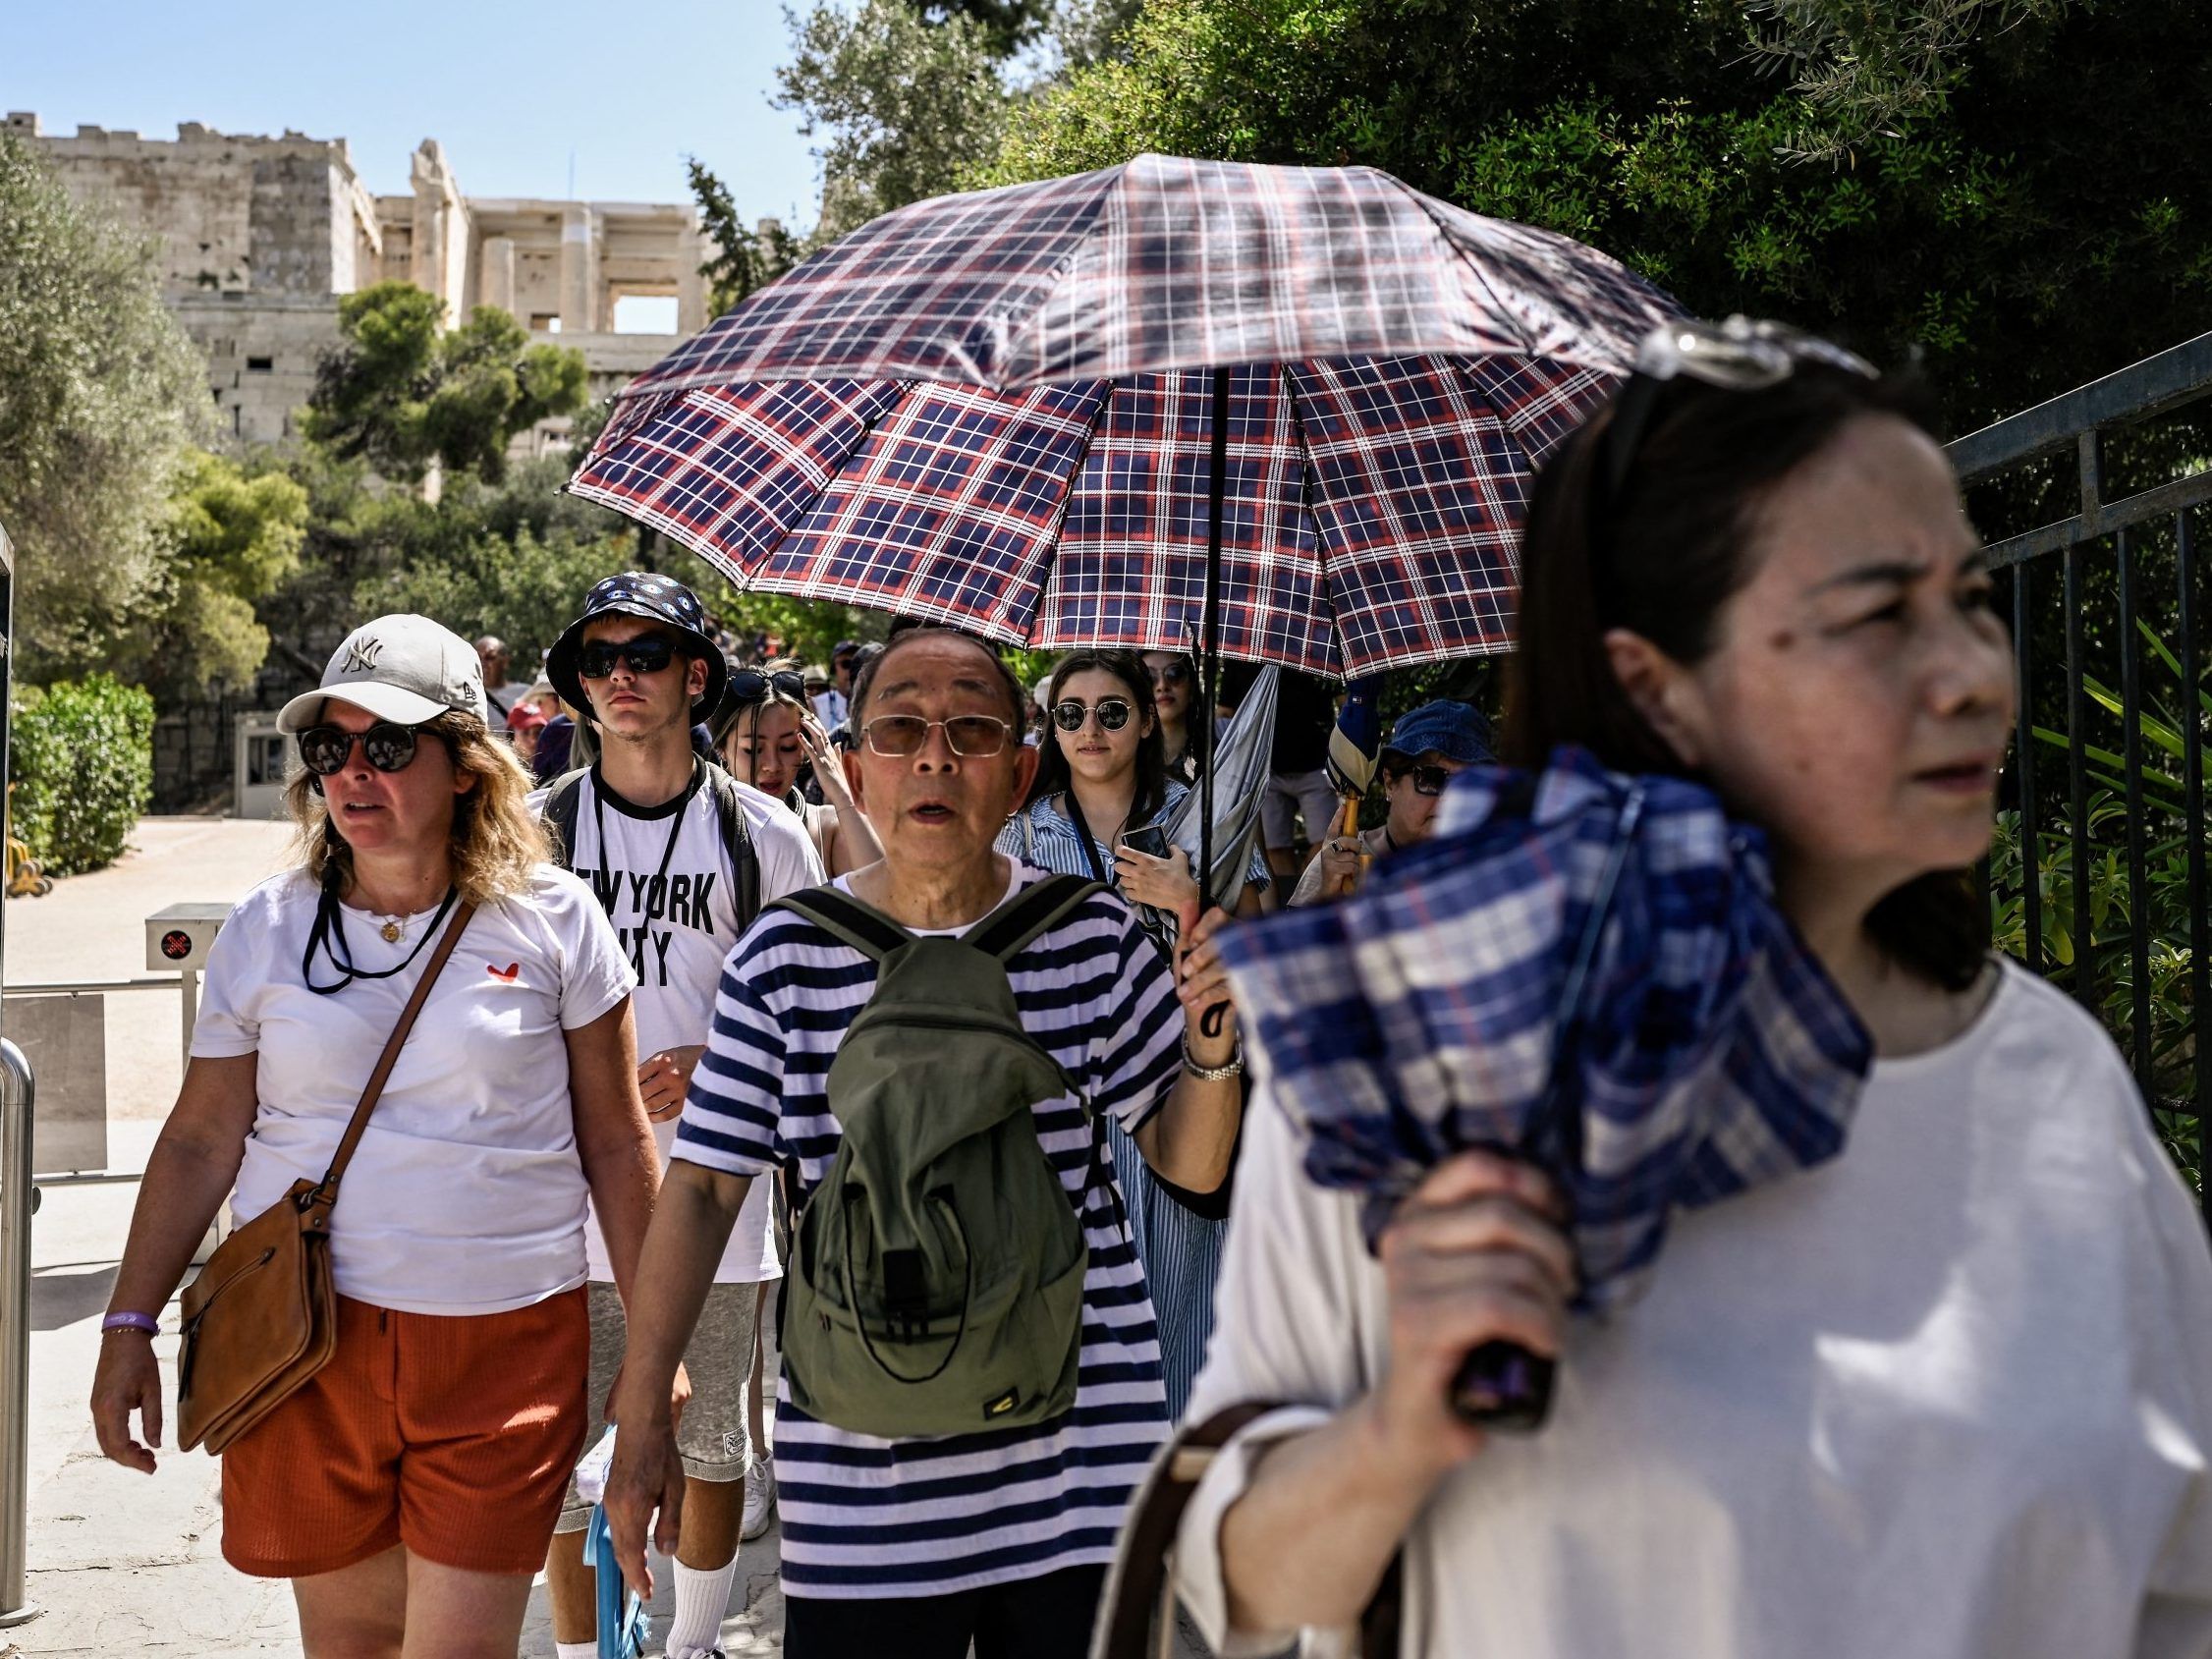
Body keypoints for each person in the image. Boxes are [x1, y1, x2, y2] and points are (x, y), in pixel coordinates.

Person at [1171, 324, 2212, 1658]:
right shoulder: (1410, 1061)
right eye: (1878, 615)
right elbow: (1231, 1585)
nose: (1974, 674)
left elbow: (2177, 1581)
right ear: (1654, 686)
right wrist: (1393, 1433)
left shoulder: (2052, 1071)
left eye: (1966, 598)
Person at [602, 626, 1248, 1658]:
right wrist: (642, 1424)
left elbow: (1189, 1161)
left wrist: (1213, 1047)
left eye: (973, 729)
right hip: (862, 1478)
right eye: (900, 727)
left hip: (1081, 1462)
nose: (935, 756)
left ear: (1021, 771)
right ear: (854, 771)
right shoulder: (786, 953)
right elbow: (704, 1188)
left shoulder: (1090, 938)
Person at [88, 615, 666, 1659]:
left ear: (465, 765)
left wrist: (658, 1354)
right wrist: (127, 1323)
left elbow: (620, 1148)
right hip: (302, 1343)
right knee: (349, 1646)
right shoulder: (267, 922)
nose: (353, 773)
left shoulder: (555, 919)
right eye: (330, 748)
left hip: (504, 1346)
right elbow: (198, 1140)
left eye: (388, 745)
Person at [534, 574, 825, 1659]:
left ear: (694, 676)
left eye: (644, 654)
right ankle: (578, 1653)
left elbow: (815, 1017)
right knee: (557, 1452)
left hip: (713, 1191)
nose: (619, 674)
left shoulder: (764, 837)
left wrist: (722, 1056)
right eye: (599, 657)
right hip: (555, 1200)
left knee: (708, 1442)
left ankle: (692, 1645)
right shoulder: (532, 832)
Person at [999, 650, 1269, 1420]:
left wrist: (1189, 902)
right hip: (1060, 1115)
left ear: (1148, 720)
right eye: (1071, 713)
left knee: (1177, 1319)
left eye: (1111, 711)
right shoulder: (1018, 839)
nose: (1090, 729)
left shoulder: (1202, 820)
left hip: (1181, 1102)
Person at [1288, 698, 1492, 907]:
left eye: (1468, 782)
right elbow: (1291, 938)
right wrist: (1327, 894)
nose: (1450, 797)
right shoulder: (1342, 862)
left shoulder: (1496, 862)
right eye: (1432, 778)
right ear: (1389, 782)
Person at [715, 659, 882, 877]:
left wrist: (842, 794)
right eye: (753, 749)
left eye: (787, 747)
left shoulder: (825, 829)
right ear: (722, 750)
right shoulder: (700, 827)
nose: (772, 765)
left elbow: (884, 892)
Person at [1249, 668, 1341, 886]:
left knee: (1328, 843)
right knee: (1274, 847)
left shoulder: (1320, 640)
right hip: (1267, 768)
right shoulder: (1247, 649)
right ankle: (1289, 905)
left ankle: (1305, 895)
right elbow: (1227, 711)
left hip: (1317, 764)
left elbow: (1344, 699)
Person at [1142, 649, 1203, 784]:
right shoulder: (1125, 763)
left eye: (1174, 673)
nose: (1162, 686)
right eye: (1149, 678)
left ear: (1192, 688)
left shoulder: (1219, 757)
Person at [809, 640, 858, 730]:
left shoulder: (874, 703)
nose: (852, 669)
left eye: (857, 663)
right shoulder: (816, 705)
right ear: (833, 668)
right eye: (846, 664)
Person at [475, 635, 524, 720]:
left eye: (490, 657)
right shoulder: (466, 697)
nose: (483, 664)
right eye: (478, 658)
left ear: (505, 662)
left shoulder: (526, 694)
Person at [506, 699, 548, 770]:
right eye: (525, 733)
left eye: (539, 732)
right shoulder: (503, 769)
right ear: (512, 736)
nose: (533, 740)